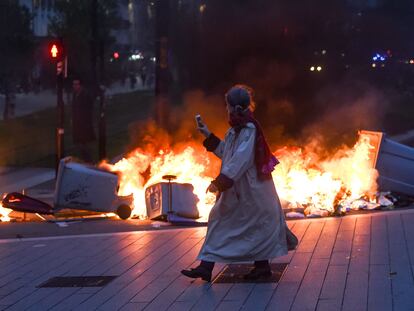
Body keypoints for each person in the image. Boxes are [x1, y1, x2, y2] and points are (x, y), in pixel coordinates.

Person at [181, 85, 298, 282]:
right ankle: (216, 267)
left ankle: (209, 266)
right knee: (242, 224)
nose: (225, 109)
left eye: (227, 105)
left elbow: (240, 160)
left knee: (230, 222)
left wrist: (220, 182)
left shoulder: (248, 130)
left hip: (251, 191)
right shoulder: (235, 131)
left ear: (233, 107)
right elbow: (227, 153)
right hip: (244, 191)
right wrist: (208, 135)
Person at [71, 78, 96, 162]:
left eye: (76, 84)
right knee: (80, 143)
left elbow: (88, 108)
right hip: (78, 123)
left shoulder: (85, 95)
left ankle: (89, 160)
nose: (75, 86)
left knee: (84, 143)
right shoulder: (75, 95)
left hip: (84, 124)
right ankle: (85, 159)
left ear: (80, 85)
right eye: (74, 84)